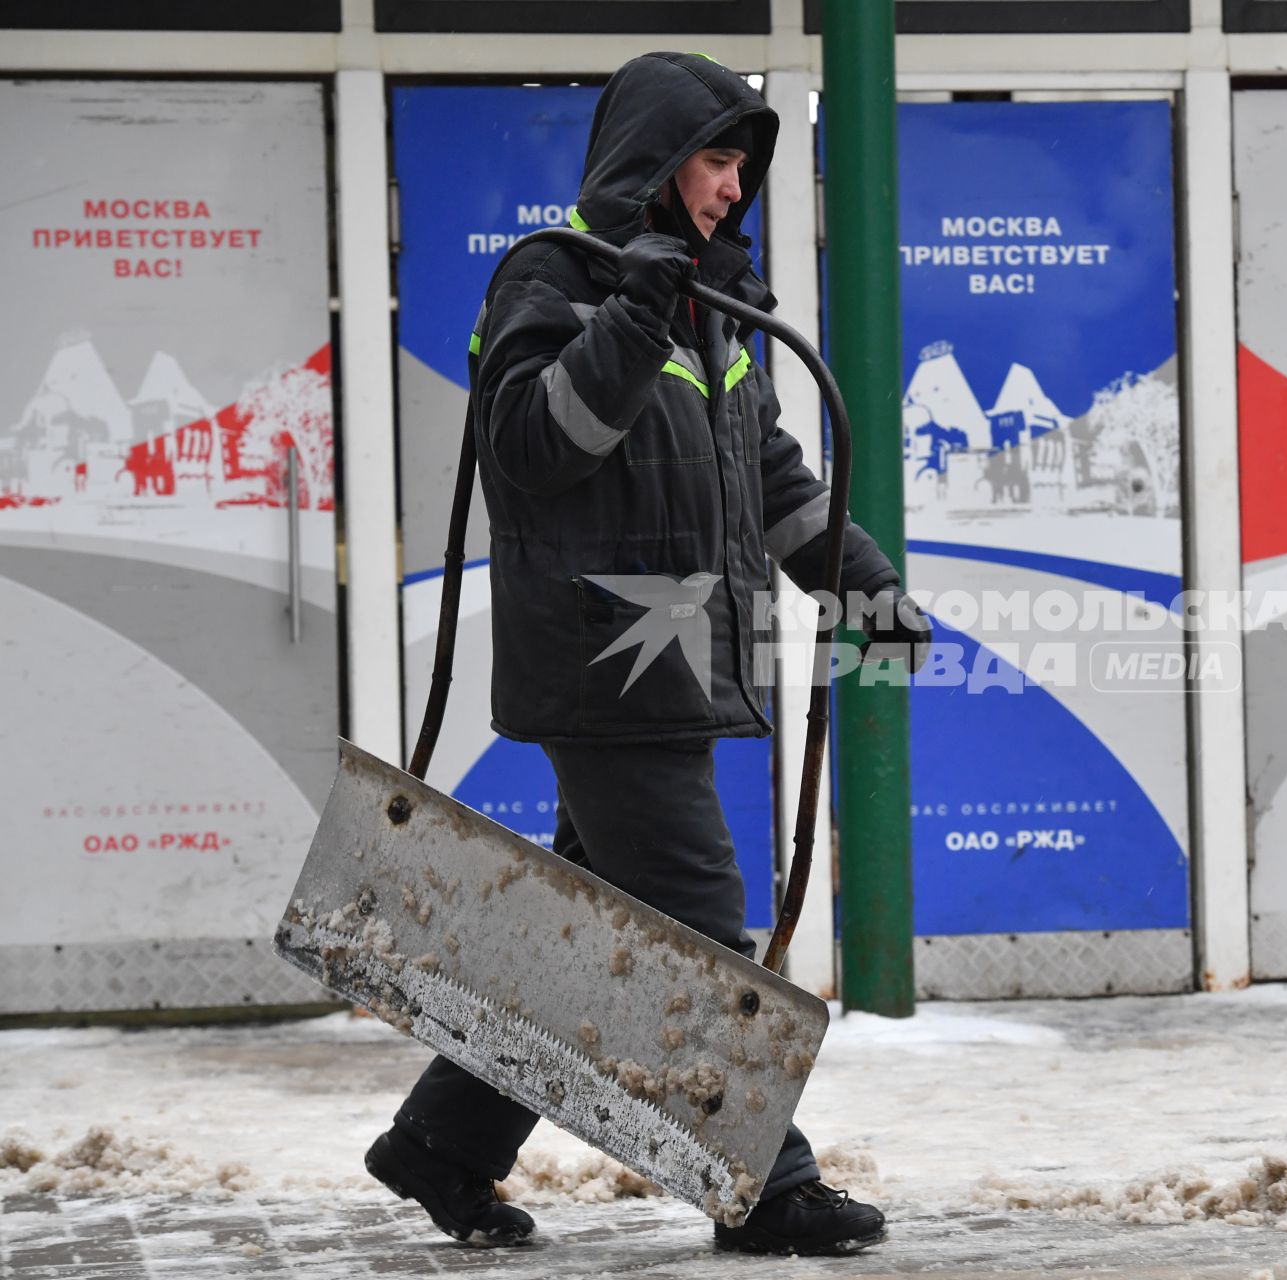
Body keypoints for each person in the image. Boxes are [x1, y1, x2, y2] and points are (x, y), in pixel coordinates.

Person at [362, 52, 927, 1257]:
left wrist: (862, 577)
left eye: (741, 167)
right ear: (655, 160)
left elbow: (770, 477)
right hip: (601, 672)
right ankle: (766, 1182)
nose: (732, 188)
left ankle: (443, 1143)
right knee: (697, 924)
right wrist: (629, 313)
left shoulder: (715, 306)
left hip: (671, 667)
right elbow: (525, 449)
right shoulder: (551, 280)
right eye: (717, 160)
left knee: (580, 944)